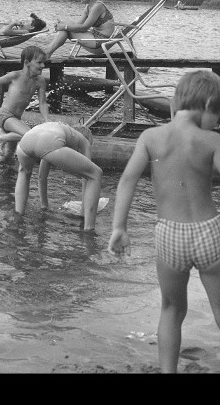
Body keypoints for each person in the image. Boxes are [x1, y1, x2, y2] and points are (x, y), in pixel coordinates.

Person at [107, 71, 220, 373]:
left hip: (169, 235)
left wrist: (119, 227)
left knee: (171, 309)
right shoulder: (212, 139)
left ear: (176, 102)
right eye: (217, 115)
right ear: (209, 103)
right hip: (209, 232)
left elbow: (128, 180)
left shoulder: (150, 137)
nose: (217, 123)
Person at [14, 122, 102, 230]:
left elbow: (42, 176)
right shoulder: (84, 141)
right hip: (48, 140)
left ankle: (18, 218)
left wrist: (44, 206)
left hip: (26, 140)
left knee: (24, 172)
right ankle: (89, 228)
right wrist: (83, 212)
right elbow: (87, 179)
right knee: (95, 174)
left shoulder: (59, 133)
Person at [0, 45, 49, 161]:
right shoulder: (15, 76)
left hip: (16, 120)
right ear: (27, 62)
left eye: (43, 62)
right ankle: (2, 138)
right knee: (29, 135)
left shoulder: (40, 81)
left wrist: (47, 120)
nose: (43, 66)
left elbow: (42, 103)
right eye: (39, 62)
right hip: (5, 116)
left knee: (6, 157)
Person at [45, 0, 115, 59]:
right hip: (95, 37)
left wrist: (64, 27)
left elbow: (84, 27)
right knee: (67, 25)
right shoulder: (88, 7)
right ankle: (47, 53)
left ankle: (47, 53)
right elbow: (78, 24)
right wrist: (63, 24)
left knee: (66, 29)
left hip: (102, 41)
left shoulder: (98, 6)